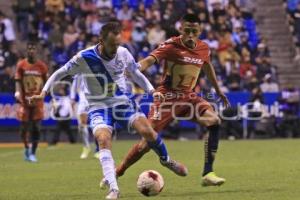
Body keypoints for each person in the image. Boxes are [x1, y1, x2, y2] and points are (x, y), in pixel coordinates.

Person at [29, 21, 186, 200]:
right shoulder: (84, 57)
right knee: (103, 140)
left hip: (122, 103)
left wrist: (152, 91)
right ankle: (114, 189)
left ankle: (166, 160)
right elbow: (60, 73)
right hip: (98, 107)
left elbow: (135, 73)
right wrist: (43, 93)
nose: (115, 48)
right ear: (101, 41)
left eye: (118, 44)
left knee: (148, 132)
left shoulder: (123, 53)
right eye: (112, 45)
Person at [111, 14, 230, 187]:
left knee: (214, 121)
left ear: (200, 31)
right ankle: (117, 171)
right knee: (146, 143)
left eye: (194, 31)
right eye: (187, 30)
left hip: (188, 97)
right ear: (181, 28)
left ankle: (208, 173)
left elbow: (207, 66)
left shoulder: (203, 48)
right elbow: (149, 60)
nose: (190, 34)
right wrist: (135, 68)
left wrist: (218, 90)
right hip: (166, 98)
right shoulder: (171, 45)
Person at [15, 41, 48, 162]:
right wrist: (18, 92)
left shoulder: (42, 66)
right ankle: (26, 148)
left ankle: (33, 153)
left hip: (37, 101)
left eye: (33, 48)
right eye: (29, 48)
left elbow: (47, 82)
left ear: (36, 50)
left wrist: (50, 96)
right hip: (25, 101)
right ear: (26, 50)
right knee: (24, 128)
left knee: (36, 128)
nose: (31, 50)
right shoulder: (21, 65)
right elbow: (18, 80)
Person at [70, 74, 98, 159]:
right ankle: (86, 147)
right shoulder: (79, 72)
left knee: (97, 125)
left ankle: (98, 149)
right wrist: (72, 99)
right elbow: (74, 86)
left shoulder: (96, 69)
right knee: (82, 126)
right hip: (83, 101)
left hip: (95, 100)